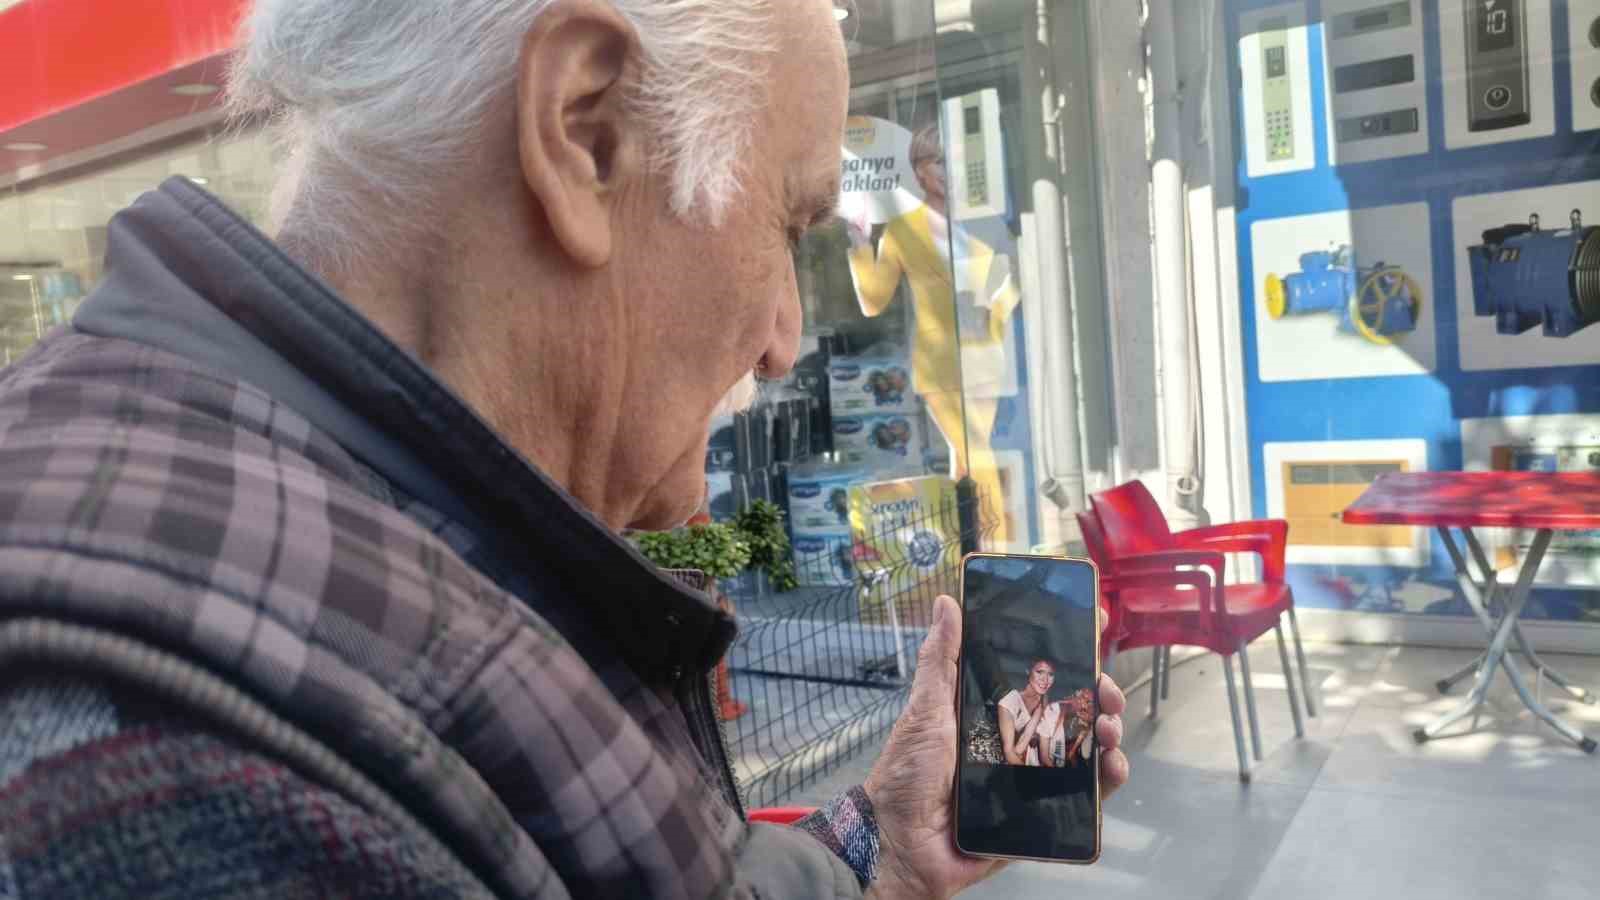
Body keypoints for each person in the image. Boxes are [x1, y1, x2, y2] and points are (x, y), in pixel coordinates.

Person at [0, 1, 1129, 897]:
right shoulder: (179, 768)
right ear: (584, 129)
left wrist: (878, 845)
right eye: (788, 226)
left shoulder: (358, 540)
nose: (786, 337)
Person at [846, 124, 1022, 548]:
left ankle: (962, 549)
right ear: (919, 171)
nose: (949, 171)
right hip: (938, 363)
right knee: (976, 451)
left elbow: (1012, 282)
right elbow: (873, 301)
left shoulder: (984, 220)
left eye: (954, 161)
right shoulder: (903, 230)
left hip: (984, 354)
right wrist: (860, 244)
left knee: (965, 460)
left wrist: (992, 304)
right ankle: (1001, 548)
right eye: (939, 162)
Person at [998, 659, 1066, 767]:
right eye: (1039, 672)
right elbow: (1009, 753)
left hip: (1031, 759)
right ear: (1028, 671)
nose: (1045, 680)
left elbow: (1044, 756)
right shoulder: (1009, 702)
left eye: (1050, 674)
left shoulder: (1045, 700)